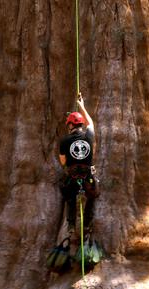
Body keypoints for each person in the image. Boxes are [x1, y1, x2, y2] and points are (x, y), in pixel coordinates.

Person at [59, 94, 99, 239]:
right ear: (80, 124)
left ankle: (70, 224)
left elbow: (63, 162)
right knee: (92, 196)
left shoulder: (64, 141)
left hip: (72, 177)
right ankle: (87, 223)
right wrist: (81, 106)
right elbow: (91, 123)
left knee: (69, 196)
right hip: (88, 176)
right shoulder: (89, 135)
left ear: (70, 125)